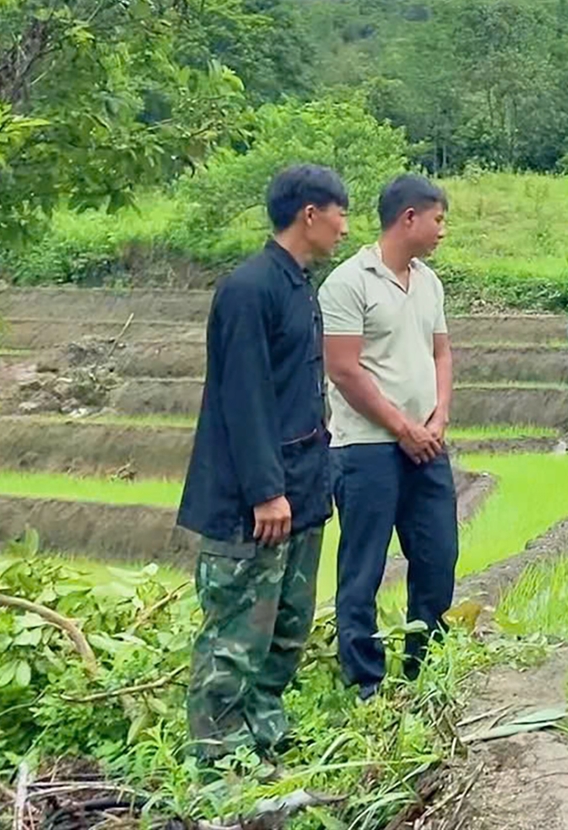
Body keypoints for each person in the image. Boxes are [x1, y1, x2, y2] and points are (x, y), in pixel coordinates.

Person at [177, 164, 349, 765]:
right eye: (339, 213)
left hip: (301, 491)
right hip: (252, 501)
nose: (344, 228)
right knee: (235, 635)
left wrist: (306, 490)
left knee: (287, 627)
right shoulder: (248, 289)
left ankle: (264, 740)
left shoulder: (299, 285)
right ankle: (216, 760)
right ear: (310, 214)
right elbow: (243, 398)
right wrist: (265, 492)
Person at [320, 174, 458, 698]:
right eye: (438, 219)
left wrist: (439, 416)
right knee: (364, 564)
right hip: (366, 449)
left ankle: (424, 669)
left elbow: (441, 352)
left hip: (428, 444)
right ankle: (365, 681)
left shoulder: (429, 282)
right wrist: (403, 428)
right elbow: (344, 370)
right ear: (409, 219)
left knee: (437, 557)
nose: (442, 230)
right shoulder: (348, 282)